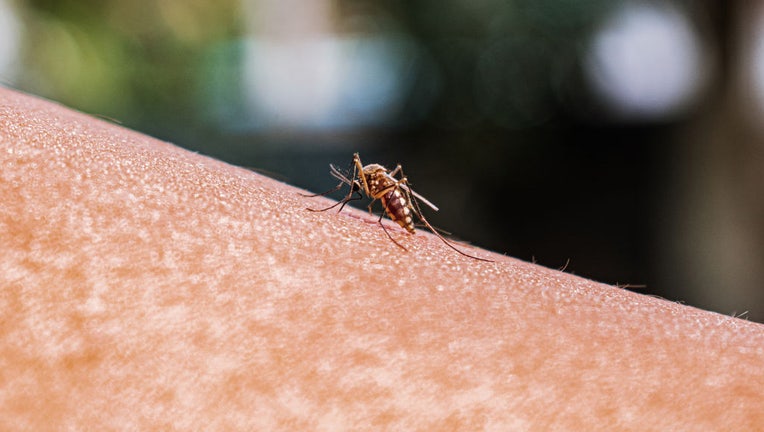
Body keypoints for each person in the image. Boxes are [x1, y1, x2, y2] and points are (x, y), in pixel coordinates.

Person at [1, 87, 762, 430]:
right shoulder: (364, 181)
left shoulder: (384, 185)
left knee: (403, 202)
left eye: (370, 182)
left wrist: (404, 215)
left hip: (412, 221)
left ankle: (433, 239)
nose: (374, 187)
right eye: (371, 184)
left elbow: (387, 188)